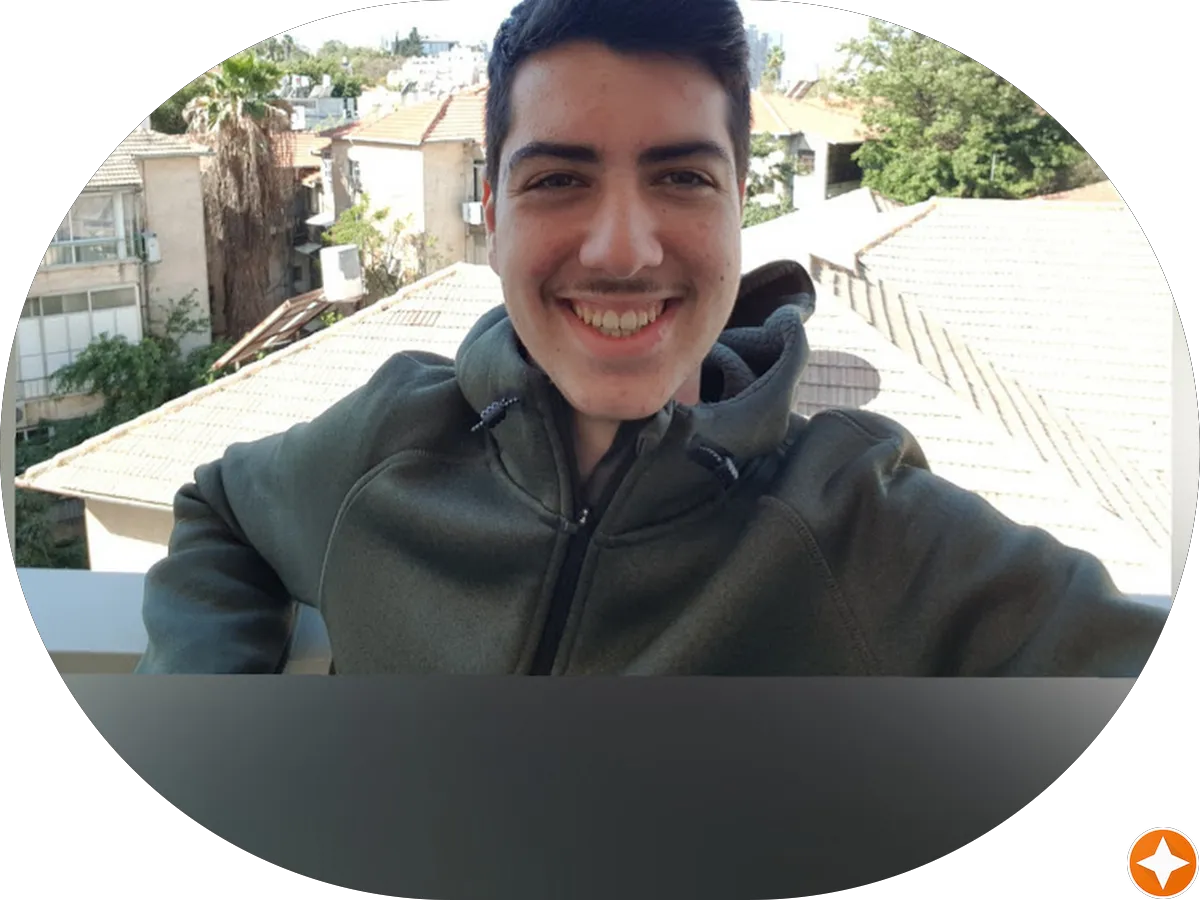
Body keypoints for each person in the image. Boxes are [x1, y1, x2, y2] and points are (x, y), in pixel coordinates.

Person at [135, 0, 1167, 675]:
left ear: (740, 207)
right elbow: (218, 511)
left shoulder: (863, 523)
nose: (623, 251)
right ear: (493, 214)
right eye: (558, 179)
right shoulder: (391, 443)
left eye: (681, 176)